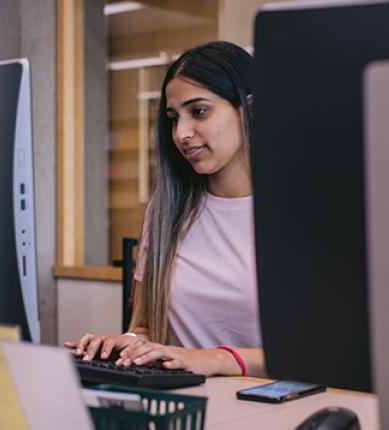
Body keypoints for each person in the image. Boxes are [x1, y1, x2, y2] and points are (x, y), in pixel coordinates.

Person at [65, 41, 265, 378]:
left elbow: (325, 349)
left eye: (199, 111)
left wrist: (214, 359)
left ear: (248, 108)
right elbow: (144, 326)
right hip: (183, 405)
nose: (182, 134)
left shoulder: (300, 215)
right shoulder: (167, 210)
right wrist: (126, 345)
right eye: (173, 119)